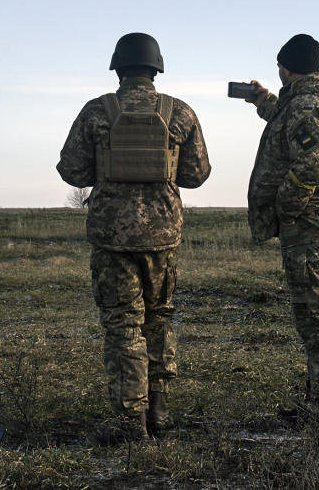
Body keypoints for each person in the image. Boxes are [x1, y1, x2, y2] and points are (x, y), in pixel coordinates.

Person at [57, 33, 211, 442]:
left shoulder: (97, 111)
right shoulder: (180, 112)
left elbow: (72, 171)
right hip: (163, 237)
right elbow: (196, 175)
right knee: (159, 317)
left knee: (124, 324)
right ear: (156, 68)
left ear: (118, 68)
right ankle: (158, 408)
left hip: (112, 238)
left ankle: (131, 421)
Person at [245, 34, 319, 413]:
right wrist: (263, 101)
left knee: (314, 312)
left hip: (311, 220)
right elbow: (289, 123)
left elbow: (310, 163)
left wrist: (285, 208)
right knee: (314, 308)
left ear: (286, 68)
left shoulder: (306, 105)